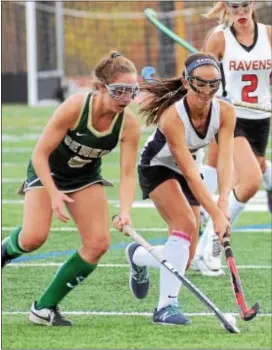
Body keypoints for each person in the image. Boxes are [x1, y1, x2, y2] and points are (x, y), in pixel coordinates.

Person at [1, 51, 141, 326]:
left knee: (98, 244)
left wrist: (125, 211)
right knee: (33, 238)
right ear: (100, 87)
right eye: (119, 91)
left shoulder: (128, 123)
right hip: (47, 173)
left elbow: (127, 174)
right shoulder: (75, 107)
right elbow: (39, 154)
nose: (126, 99)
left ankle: (44, 308)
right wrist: (53, 194)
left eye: (132, 91)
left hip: (84, 178)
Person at [117, 52, 235, 326]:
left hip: (191, 167)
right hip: (158, 166)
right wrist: (215, 214)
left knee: (186, 255)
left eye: (213, 84)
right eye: (200, 83)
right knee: (185, 225)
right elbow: (192, 176)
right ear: (186, 82)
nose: (207, 91)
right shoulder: (173, 117)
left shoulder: (226, 112)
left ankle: (138, 255)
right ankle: (165, 308)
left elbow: (227, 160)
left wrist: (224, 204)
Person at [193, 0, 272, 276]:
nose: (240, 11)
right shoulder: (219, 38)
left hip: (261, 119)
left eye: (245, 4)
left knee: (255, 171)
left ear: (253, 4)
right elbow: (198, 78)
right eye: (234, 5)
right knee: (249, 182)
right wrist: (212, 94)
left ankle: (203, 213)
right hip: (230, 117)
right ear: (226, 7)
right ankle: (212, 243)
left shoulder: (269, 34)